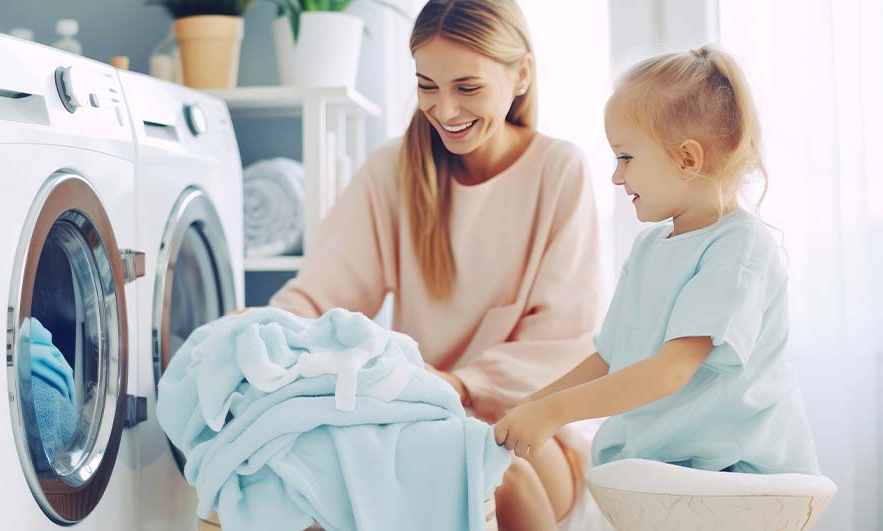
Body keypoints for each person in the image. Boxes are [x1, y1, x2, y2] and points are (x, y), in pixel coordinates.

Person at [265, 1, 604, 528]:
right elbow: (318, 294)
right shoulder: (391, 171)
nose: (445, 110)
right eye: (428, 86)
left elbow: (564, 341)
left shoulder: (559, 171)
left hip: (533, 427)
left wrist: (460, 384)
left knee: (486, 465)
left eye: (467, 88)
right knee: (329, 476)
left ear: (521, 75)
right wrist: (266, 341)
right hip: (418, 416)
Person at [494, 45, 820, 478]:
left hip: (737, 472)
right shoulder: (649, 248)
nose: (615, 175)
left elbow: (670, 371)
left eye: (625, 156)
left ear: (687, 160)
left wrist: (555, 412)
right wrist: (533, 404)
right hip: (671, 465)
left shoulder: (737, 248)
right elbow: (609, 357)